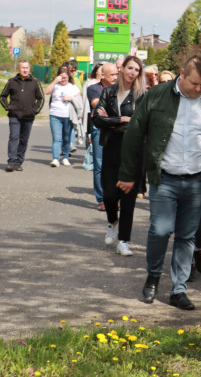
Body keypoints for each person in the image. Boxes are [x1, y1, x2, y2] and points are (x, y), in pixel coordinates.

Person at [118, 54, 201, 310]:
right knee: (160, 229)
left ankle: (178, 289)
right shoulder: (157, 95)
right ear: (182, 74)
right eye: (194, 83)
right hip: (165, 177)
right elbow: (134, 134)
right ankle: (153, 275)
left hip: (197, 180)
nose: (198, 89)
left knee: (186, 235)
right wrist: (128, 175)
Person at [95, 56, 146, 256]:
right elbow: (98, 119)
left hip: (133, 149)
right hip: (111, 147)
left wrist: (112, 120)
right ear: (122, 69)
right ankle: (112, 223)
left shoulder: (141, 95)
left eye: (137, 70)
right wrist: (120, 119)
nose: (133, 72)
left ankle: (123, 240)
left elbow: (139, 123)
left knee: (128, 199)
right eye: (130, 68)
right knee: (108, 194)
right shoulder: (108, 92)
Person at [0, 60, 44, 171]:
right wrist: (8, 107)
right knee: (14, 137)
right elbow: (2, 96)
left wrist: (35, 111)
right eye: (22, 68)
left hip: (28, 116)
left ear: (29, 69)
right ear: (18, 69)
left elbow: (41, 98)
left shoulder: (35, 82)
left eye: (27, 67)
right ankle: (11, 162)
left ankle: (18, 162)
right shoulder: (12, 81)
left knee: (23, 140)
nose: (25, 70)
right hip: (14, 115)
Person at [86, 63, 117, 210]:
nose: (115, 77)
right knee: (100, 165)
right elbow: (97, 106)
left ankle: (114, 197)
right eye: (112, 75)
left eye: (117, 74)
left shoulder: (121, 88)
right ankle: (102, 199)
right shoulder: (93, 89)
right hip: (99, 129)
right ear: (103, 75)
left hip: (117, 130)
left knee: (116, 164)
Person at [44, 69, 81, 167]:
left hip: (69, 116)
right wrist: (54, 81)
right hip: (55, 114)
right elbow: (46, 92)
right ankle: (55, 159)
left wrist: (70, 98)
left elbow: (79, 100)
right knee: (57, 138)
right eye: (61, 76)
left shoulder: (73, 87)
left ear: (69, 77)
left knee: (66, 138)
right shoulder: (55, 86)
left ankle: (65, 157)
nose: (63, 79)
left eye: (65, 77)